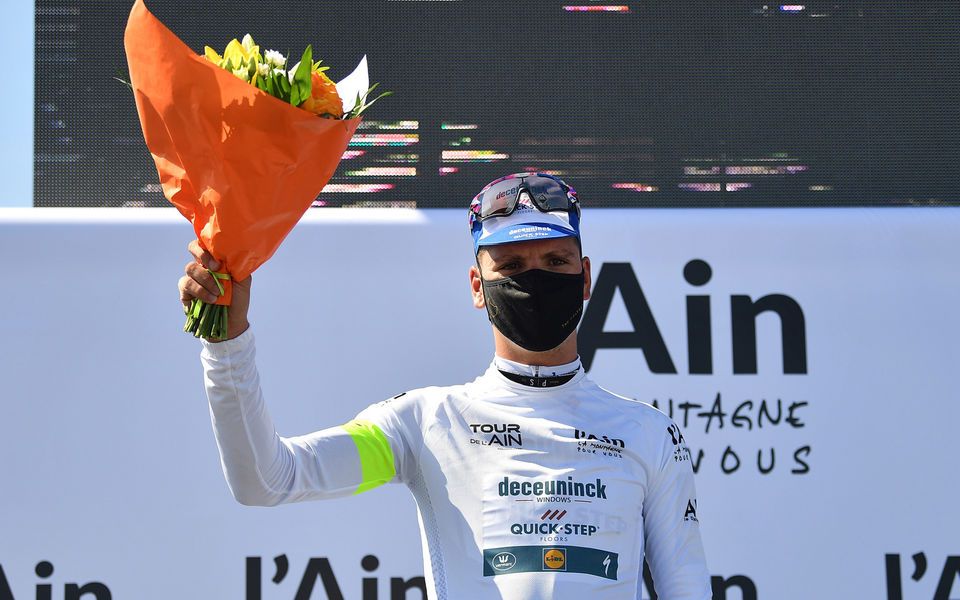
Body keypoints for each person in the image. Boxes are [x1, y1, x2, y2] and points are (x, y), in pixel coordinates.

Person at [179, 173, 711, 599]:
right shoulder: (426, 422)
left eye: (555, 262)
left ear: (586, 276)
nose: (536, 278)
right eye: (512, 266)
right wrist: (227, 347)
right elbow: (266, 480)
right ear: (478, 287)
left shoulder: (649, 435)